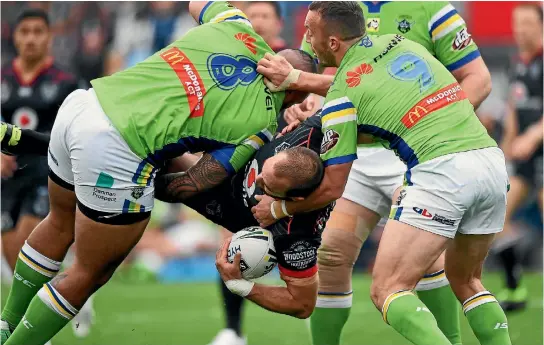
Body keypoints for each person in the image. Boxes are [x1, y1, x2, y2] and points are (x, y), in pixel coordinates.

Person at [0, 2, 313, 344]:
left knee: (59, 224)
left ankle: (5, 324)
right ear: (297, 88)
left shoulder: (235, 23)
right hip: (116, 147)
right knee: (88, 273)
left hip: (84, 104)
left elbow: (197, 3)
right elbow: (197, 182)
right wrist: (150, 187)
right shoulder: (263, 124)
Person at [255, 2, 512, 344]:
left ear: (333, 42)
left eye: (311, 34)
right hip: (488, 160)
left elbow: (332, 185)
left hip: (437, 170)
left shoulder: (345, 93)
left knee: (389, 288)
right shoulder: (398, 42)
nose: (306, 41)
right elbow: (382, 108)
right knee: (466, 280)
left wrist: (279, 208)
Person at [159, 115, 329, 321]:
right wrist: (305, 106)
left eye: (267, 186)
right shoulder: (308, 134)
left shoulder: (296, 234)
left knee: (148, 185)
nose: (258, 180)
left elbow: (302, 304)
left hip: (224, 205)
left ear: (294, 199)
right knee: (156, 147)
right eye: (265, 169)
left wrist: (239, 285)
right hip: (227, 160)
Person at [496, 3, 543, 312]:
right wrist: (501, 150)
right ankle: (515, 289)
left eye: (526, 23)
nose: (520, 29)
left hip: (541, 150)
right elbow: (513, 112)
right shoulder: (517, 64)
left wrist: (534, 135)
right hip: (524, 160)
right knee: (496, 213)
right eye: (516, 23)